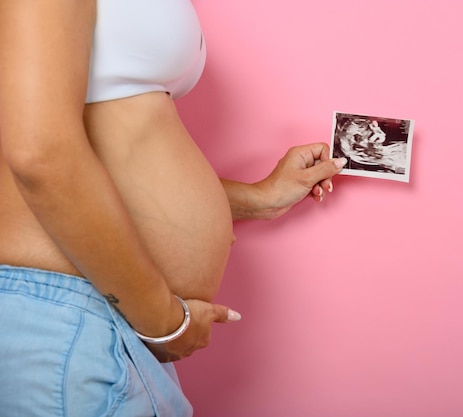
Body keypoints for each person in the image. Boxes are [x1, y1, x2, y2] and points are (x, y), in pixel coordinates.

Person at [0, 1, 347, 416]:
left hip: (104, 323)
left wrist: (259, 198)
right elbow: (41, 155)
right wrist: (165, 320)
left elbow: (116, 160)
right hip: (72, 320)